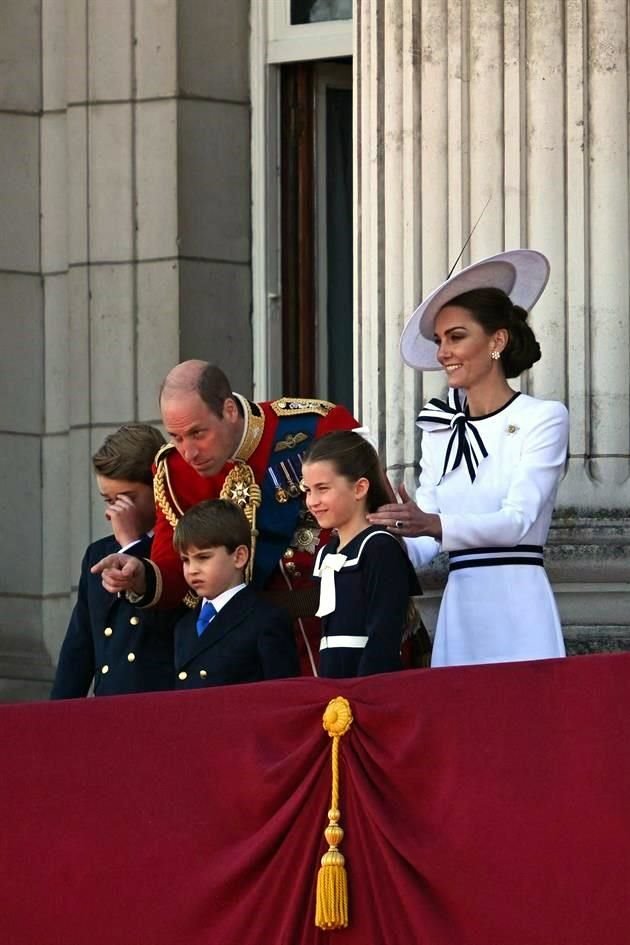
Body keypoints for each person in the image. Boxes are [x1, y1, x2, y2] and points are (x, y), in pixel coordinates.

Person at [92, 361, 358, 677]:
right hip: (243, 653)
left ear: (229, 410)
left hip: (337, 630)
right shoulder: (173, 472)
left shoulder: (317, 426)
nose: (188, 452)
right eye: (176, 437)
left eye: (197, 433)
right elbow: (174, 570)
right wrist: (141, 576)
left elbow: (372, 519)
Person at [368, 249, 569, 667]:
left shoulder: (544, 418)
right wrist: (381, 520)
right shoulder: (439, 428)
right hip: (461, 608)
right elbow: (422, 546)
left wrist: (433, 523)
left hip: (519, 606)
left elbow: (518, 521)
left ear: (497, 341)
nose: (443, 351)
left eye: (456, 337)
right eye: (439, 340)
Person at [51, 424, 179, 699]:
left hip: (159, 704)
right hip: (109, 706)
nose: (116, 512)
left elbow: (163, 617)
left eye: (127, 499)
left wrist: (132, 546)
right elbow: (79, 648)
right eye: (109, 500)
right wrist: (55, 714)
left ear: (158, 488)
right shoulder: (98, 554)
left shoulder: (183, 547)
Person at [301, 430, 421, 678]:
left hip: (368, 685)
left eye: (322, 488)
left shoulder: (380, 548)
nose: (312, 501)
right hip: (333, 684)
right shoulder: (327, 552)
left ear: (359, 488)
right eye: (308, 491)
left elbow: (383, 635)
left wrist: (363, 692)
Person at [171, 499, 299, 688]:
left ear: (239, 557)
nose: (192, 570)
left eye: (203, 557)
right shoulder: (184, 626)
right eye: (185, 560)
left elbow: (282, 693)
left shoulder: (266, 619)